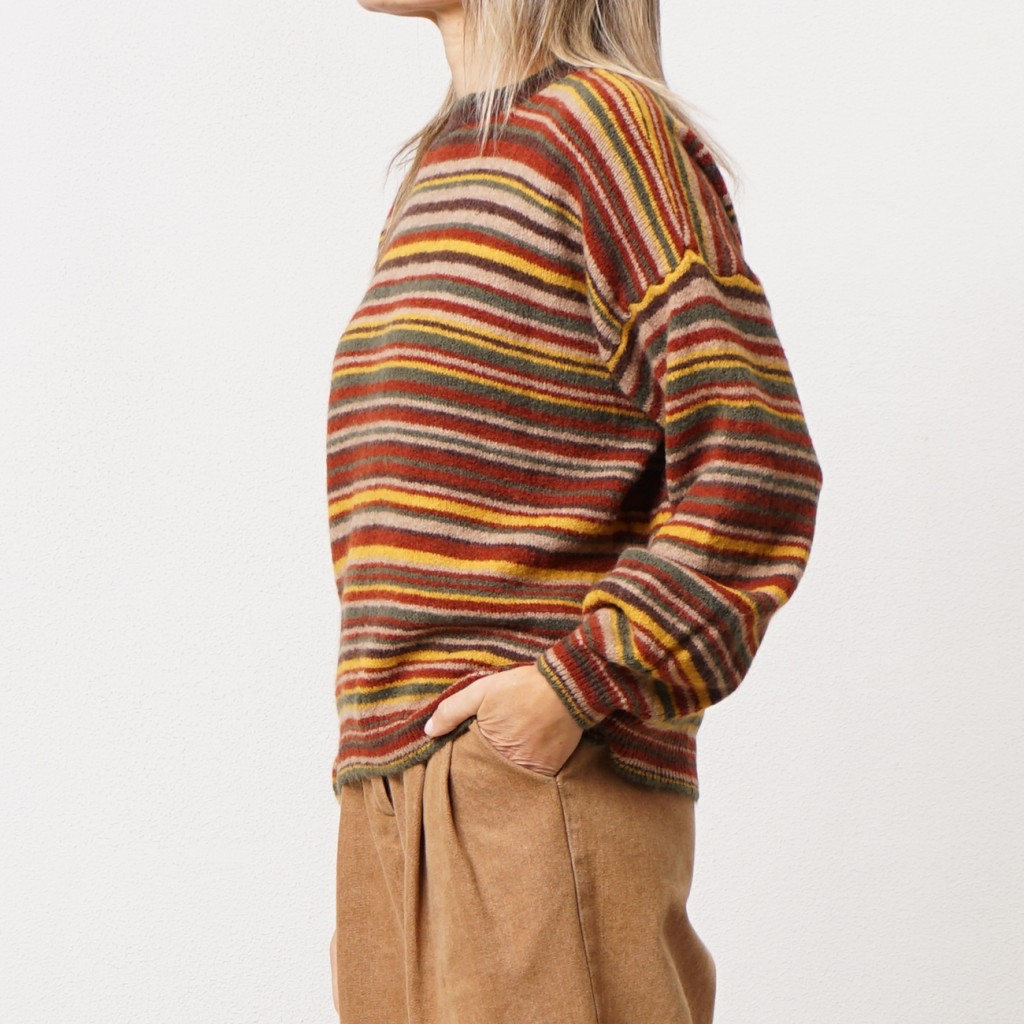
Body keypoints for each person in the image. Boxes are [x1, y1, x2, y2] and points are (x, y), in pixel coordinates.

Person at [327, 1, 823, 1021]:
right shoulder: (444, 164)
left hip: (535, 782)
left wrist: (577, 684)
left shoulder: (602, 129)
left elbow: (754, 458)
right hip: (390, 788)